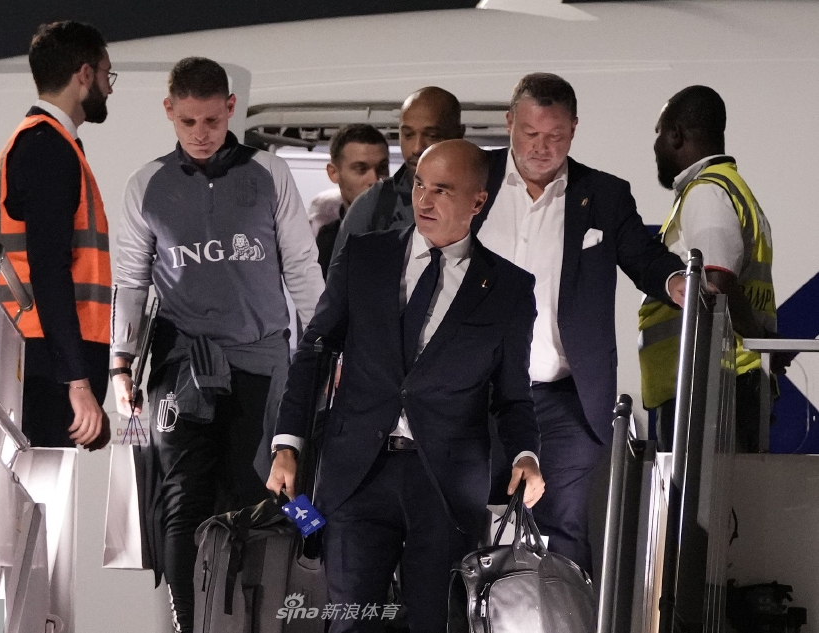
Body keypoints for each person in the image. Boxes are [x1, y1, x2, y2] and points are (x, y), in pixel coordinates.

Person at [268, 140, 544, 633]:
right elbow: (313, 352)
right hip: (356, 473)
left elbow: (513, 397)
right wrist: (288, 443)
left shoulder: (509, 289)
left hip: (445, 484)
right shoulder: (365, 255)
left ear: (478, 201)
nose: (424, 200)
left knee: (434, 623)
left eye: (442, 190)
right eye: (419, 184)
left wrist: (526, 455)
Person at [109, 57, 324, 631]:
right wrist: (120, 365)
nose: (201, 134)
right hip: (181, 366)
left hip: (262, 361)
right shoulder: (146, 184)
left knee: (260, 496)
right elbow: (130, 279)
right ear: (169, 111)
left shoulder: (269, 172)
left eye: (211, 120)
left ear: (231, 108)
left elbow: (302, 266)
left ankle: (251, 618)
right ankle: (190, 624)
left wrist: (326, 349)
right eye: (188, 121)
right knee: (182, 500)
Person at [472, 73, 686, 575]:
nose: (541, 147)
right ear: (509, 122)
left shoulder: (604, 195)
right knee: (467, 521)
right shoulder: (473, 177)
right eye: (530, 133)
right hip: (473, 394)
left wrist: (676, 281)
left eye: (556, 136)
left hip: (565, 400)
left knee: (564, 530)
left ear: (574, 129)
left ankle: (566, 613)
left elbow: (644, 257)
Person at [0, 20, 114, 449]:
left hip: (32, 354)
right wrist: (77, 380)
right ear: (85, 74)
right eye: (106, 75)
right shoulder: (49, 148)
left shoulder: (40, 143)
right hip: (44, 363)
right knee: (39, 481)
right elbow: (49, 268)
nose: (109, 88)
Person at [641, 85, 779, 452]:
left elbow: (718, 283)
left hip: (710, 384)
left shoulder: (706, 193)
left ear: (676, 135)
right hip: (721, 381)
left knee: (703, 491)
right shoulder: (730, 188)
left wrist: (762, 341)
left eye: (659, 134)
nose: (655, 145)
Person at [331, 86, 465, 257]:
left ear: (459, 134)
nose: (417, 148)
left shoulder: (487, 197)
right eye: (408, 135)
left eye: (431, 135)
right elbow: (341, 273)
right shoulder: (375, 203)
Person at [308, 124, 390, 276]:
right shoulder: (325, 240)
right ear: (334, 173)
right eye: (361, 169)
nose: (375, 180)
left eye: (382, 168)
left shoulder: (409, 230)